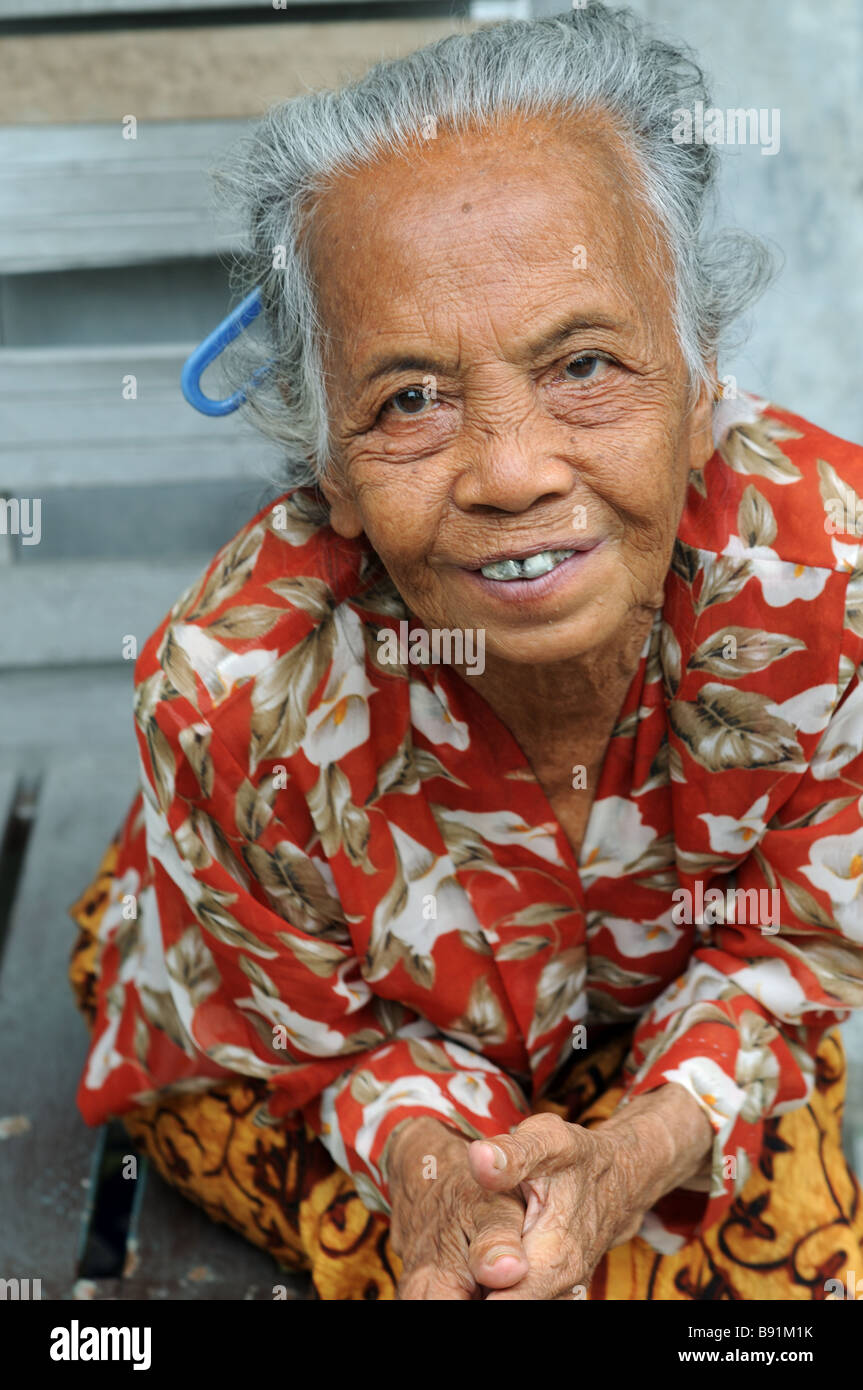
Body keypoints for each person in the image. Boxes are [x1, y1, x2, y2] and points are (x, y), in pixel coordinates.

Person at [68, 3, 863, 1300]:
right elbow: (310, 1043)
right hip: (297, 1027)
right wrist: (441, 1170)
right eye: (410, 400)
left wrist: (635, 1146)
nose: (510, 470)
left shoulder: (833, 591)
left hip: (666, 1019)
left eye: (586, 363)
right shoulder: (237, 700)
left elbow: (792, 947)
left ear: (704, 373)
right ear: (329, 462)